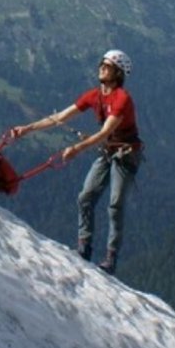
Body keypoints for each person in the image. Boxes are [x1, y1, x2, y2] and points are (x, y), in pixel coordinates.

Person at [8, 49, 144, 274]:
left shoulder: (122, 99)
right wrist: (26, 129)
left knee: (115, 204)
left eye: (107, 66)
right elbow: (61, 117)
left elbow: (104, 133)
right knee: (86, 197)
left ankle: (110, 258)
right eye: (102, 64)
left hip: (126, 155)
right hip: (109, 152)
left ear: (118, 73)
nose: (101, 68)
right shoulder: (94, 95)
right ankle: (84, 246)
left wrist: (76, 149)